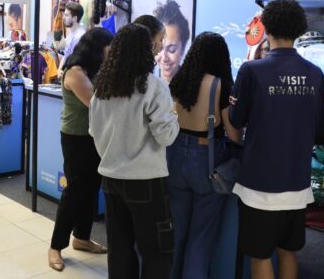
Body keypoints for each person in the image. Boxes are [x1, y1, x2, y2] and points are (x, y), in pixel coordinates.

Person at [228, 0, 324, 279]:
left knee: (259, 256)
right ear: (299, 30)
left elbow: (236, 121)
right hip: (297, 181)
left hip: (259, 184)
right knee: (288, 251)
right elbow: (320, 129)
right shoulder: (315, 74)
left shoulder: (252, 70)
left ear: (266, 27)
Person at [89, 23, 180, 279]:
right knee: (156, 252)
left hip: (111, 179)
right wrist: (174, 116)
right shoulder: (153, 86)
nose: (160, 46)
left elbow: (94, 132)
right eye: (156, 42)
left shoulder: (102, 88)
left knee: (119, 250)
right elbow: (167, 136)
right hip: (146, 182)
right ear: (146, 49)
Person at [167, 32, 241, 279]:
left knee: (176, 230)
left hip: (175, 155)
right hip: (206, 159)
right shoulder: (220, 85)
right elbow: (233, 135)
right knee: (201, 237)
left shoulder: (179, 80)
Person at [48, 27, 113, 272]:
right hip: (76, 137)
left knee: (91, 188)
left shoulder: (92, 70)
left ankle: (82, 238)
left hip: (94, 137)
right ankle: (55, 246)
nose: (112, 53)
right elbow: (97, 105)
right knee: (75, 190)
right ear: (98, 48)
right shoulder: (74, 73)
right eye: (109, 48)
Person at [153, 0, 190, 84]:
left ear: (183, 49)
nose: (164, 57)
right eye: (159, 48)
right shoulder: (146, 86)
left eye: (172, 49)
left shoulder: (194, 88)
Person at [60, 2, 85, 68]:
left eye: (66, 15)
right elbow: (66, 55)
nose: (63, 18)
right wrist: (59, 69)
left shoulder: (79, 37)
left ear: (75, 18)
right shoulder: (71, 34)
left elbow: (74, 63)